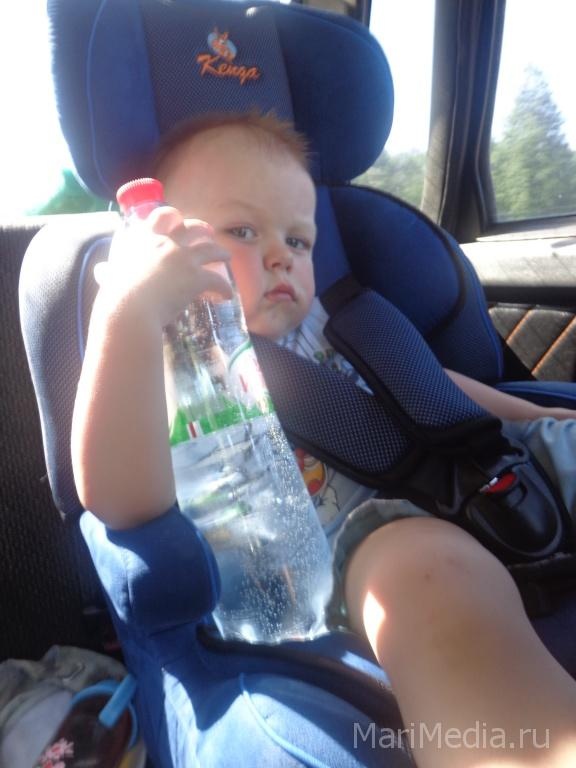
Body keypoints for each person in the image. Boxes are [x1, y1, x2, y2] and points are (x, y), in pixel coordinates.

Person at [71, 111, 576, 768]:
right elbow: (118, 498)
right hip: (355, 545)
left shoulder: (338, 325)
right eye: (242, 231)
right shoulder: (171, 363)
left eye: (299, 240)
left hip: (483, 472)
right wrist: (129, 313)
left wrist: (542, 418)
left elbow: (435, 389)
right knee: (427, 581)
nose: (282, 255)